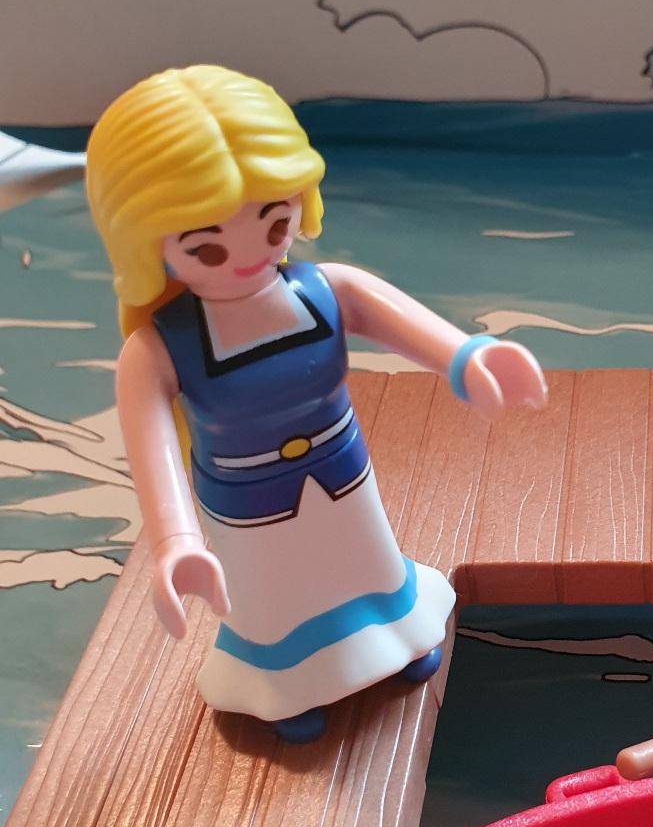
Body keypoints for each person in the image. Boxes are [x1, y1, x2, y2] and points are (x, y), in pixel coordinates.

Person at [87, 65, 547, 743]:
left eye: (275, 221)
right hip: (247, 503)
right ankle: (285, 685)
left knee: (368, 563)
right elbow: (151, 450)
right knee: (274, 599)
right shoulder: (157, 349)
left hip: (341, 469)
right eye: (206, 245)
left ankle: (396, 637)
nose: (246, 253)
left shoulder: (327, 289)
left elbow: (410, 326)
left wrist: (468, 358)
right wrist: (177, 544)